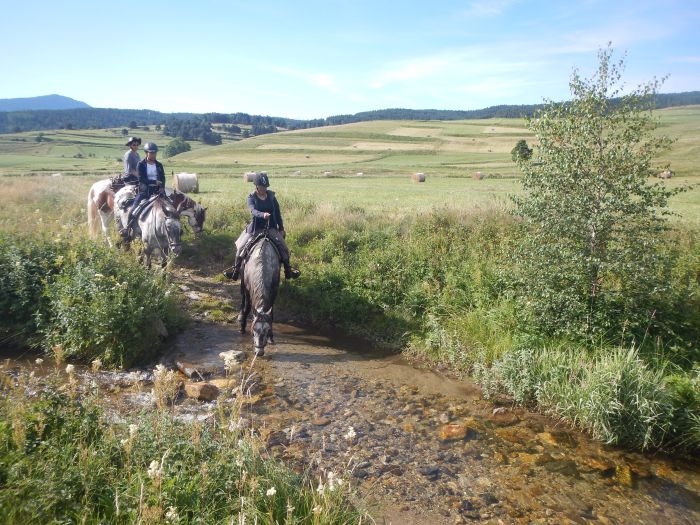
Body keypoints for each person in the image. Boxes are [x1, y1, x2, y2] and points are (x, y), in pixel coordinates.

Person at [224, 172, 300, 280]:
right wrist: (262, 214)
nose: (264, 188)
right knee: (241, 247)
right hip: (256, 228)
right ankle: (235, 271)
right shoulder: (251, 197)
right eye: (262, 186)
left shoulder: (272, 196)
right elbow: (253, 210)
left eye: (265, 186)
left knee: (283, 247)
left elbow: (278, 213)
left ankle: (288, 270)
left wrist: (281, 228)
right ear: (256, 186)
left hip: (271, 227)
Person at [122, 142, 165, 239]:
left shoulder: (159, 165)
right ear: (146, 153)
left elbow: (163, 178)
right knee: (133, 209)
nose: (153, 154)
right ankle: (128, 229)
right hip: (145, 192)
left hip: (158, 192)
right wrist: (154, 181)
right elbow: (141, 179)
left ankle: (172, 230)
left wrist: (162, 188)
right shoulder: (140, 164)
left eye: (155, 153)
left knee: (171, 207)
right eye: (151, 153)